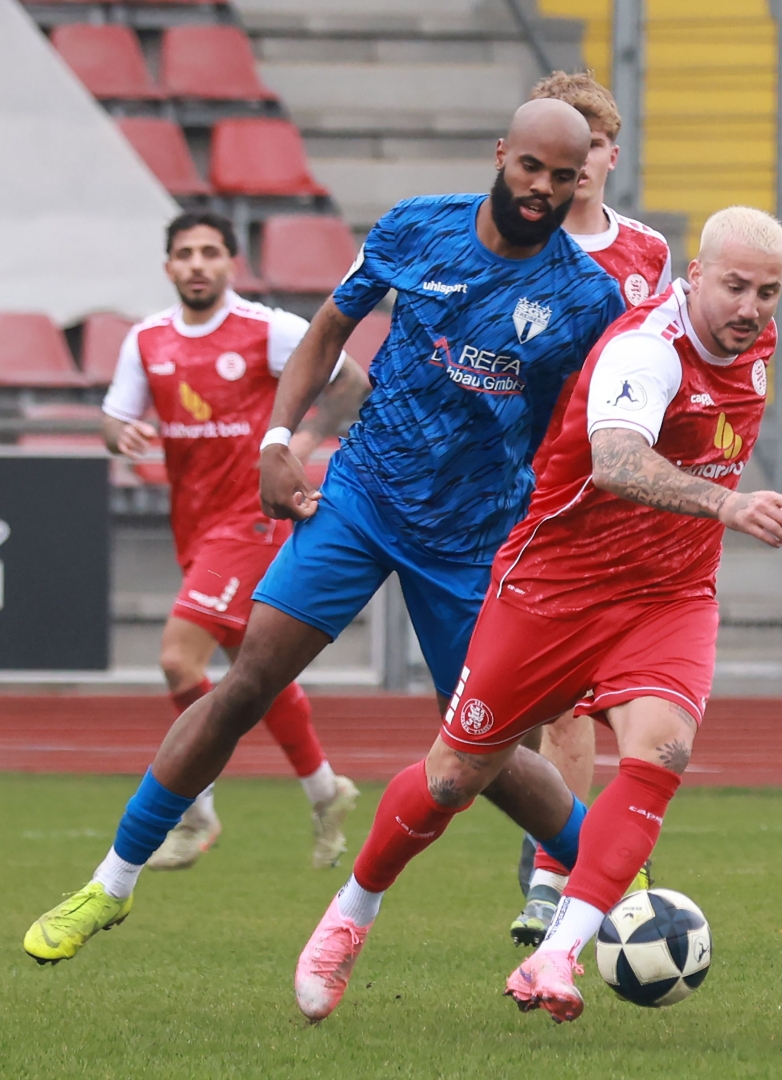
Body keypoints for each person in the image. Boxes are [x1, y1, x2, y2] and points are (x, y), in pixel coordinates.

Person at [23, 97, 625, 966]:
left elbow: (589, 427)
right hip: (362, 499)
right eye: (530, 166)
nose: (541, 188)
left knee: (480, 749)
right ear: (501, 154)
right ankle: (110, 883)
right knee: (245, 684)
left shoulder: (586, 297)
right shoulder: (417, 227)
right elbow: (331, 328)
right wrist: (279, 440)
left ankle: (622, 882)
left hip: (472, 537)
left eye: (562, 177)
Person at [291, 206, 782, 1023]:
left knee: (660, 752)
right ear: (694, 275)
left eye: (766, 293)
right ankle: (351, 911)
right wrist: (727, 506)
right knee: (453, 777)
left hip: (666, 596)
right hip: (553, 591)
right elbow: (617, 460)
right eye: (734, 286)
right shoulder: (646, 348)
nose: (749, 308)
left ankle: (558, 953)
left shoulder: (757, 344)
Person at [101, 210, 369, 871]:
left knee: (177, 660)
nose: (197, 264)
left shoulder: (267, 329)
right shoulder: (148, 339)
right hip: (194, 528)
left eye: (209, 252)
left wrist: (303, 441)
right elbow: (112, 418)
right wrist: (121, 434)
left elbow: (352, 381)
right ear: (168, 266)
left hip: (250, 520)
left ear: (231, 263)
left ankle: (193, 811)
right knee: (256, 672)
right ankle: (324, 790)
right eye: (185, 253)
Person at [511, 70, 674, 948]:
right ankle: (558, 869)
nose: (579, 163)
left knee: (622, 698)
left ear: (610, 154)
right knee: (556, 699)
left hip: (618, 498)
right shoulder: (516, 246)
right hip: (530, 491)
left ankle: (571, 868)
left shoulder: (647, 252)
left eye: (594, 145)